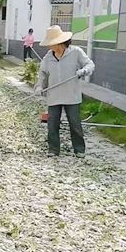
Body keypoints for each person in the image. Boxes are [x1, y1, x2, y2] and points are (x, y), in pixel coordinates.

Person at [35, 25, 95, 157]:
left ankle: (79, 150)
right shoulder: (48, 58)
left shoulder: (76, 52)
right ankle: (53, 149)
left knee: (75, 123)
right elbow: (43, 74)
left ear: (59, 42)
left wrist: (83, 71)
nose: (49, 46)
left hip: (71, 95)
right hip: (54, 96)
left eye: (51, 43)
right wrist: (39, 87)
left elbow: (90, 64)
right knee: (52, 124)